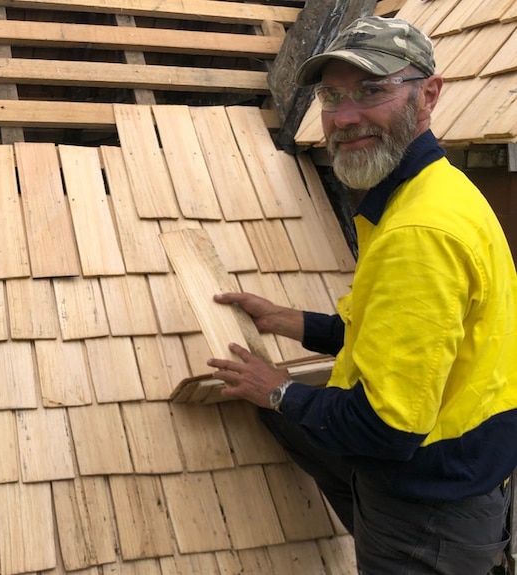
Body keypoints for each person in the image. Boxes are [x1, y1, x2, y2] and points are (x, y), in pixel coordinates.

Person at [207, 16, 517, 575]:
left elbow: (386, 427)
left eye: (372, 91)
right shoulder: (434, 191)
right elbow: (404, 340)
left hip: (426, 515)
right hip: (459, 477)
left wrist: (279, 392)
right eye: (331, 96)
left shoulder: (418, 233)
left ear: (429, 94)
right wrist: (290, 321)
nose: (344, 117)